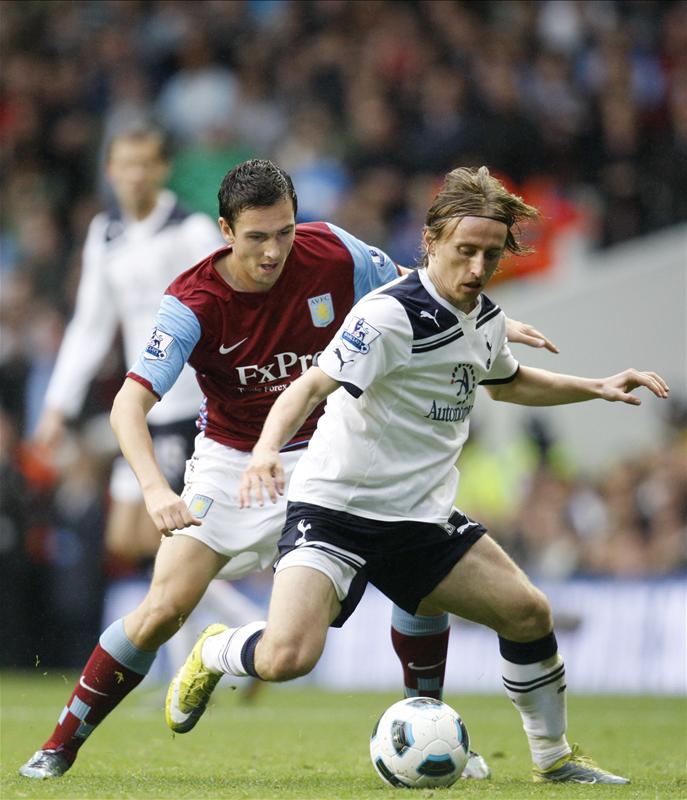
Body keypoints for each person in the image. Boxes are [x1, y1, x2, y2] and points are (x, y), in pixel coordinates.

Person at [20, 159, 557, 780]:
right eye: (256, 237)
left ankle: (429, 724)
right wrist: (152, 488)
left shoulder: (333, 250)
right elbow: (127, 405)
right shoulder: (191, 301)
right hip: (231, 464)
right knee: (162, 608)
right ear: (225, 230)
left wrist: (486, 320)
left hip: (333, 456)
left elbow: (421, 284)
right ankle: (60, 744)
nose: (274, 251)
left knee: (419, 567)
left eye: (284, 232)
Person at [172, 165, 669, 785]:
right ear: (431, 242)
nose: (477, 268)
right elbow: (308, 386)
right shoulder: (386, 316)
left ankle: (554, 758)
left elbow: (508, 383)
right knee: (286, 656)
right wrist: (268, 451)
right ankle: (217, 649)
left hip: (419, 517)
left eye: (490, 254)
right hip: (336, 512)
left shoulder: (483, 318)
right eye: (465, 251)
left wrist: (595, 386)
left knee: (529, 613)